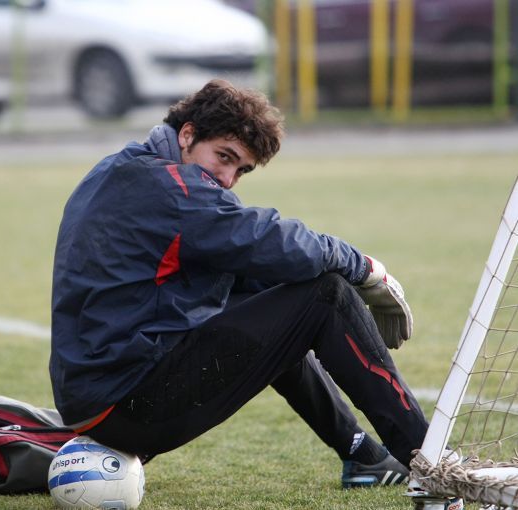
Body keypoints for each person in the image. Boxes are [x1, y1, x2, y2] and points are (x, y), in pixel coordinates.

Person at [49, 79, 428, 488]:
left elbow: (255, 267)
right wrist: (367, 269)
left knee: (280, 301)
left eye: (241, 169)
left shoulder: (119, 168)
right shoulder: (170, 188)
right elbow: (275, 242)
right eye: (224, 157)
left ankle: (363, 455)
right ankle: (430, 459)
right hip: (129, 404)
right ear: (188, 134)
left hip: (96, 399)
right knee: (328, 294)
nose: (228, 178)